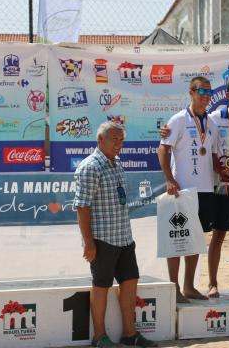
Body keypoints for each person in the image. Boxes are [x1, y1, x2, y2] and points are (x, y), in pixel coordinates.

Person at [73, 121, 156, 347]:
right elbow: (82, 207)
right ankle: (100, 337)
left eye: (121, 140)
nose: (118, 144)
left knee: (130, 283)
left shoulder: (117, 164)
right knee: (101, 286)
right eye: (113, 139)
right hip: (102, 239)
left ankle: (130, 335)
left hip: (124, 237)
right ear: (100, 140)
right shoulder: (90, 167)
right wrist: (88, 243)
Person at [158, 76, 218, 303]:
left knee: (195, 239)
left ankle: (189, 286)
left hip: (205, 189)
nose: (205, 96)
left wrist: (222, 171)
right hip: (182, 190)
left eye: (209, 92)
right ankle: (174, 287)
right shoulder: (178, 119)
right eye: (201, 91)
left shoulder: (211, 123)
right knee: (177, 238)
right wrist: (170, 179)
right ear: (191, 92)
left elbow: (211, 154)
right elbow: (162, 150)